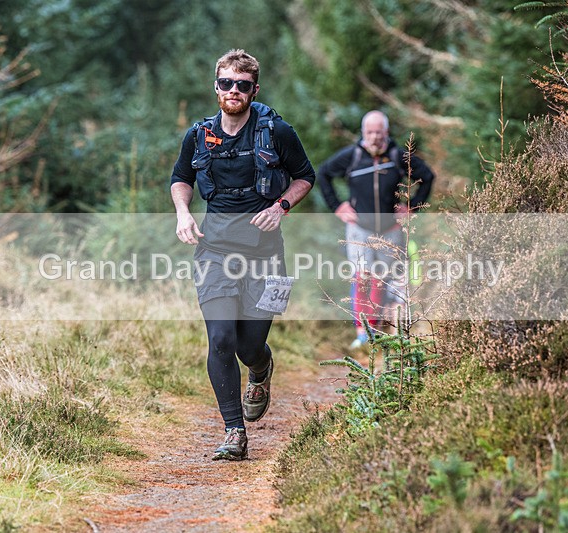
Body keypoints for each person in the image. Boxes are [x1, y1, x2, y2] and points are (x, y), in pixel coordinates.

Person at [170, 49, 315, 461]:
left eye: (242, 85)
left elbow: (306, 175)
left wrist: (279, 207)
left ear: (254, 89)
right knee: (220, 338)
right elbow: (181, 178)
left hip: (266, 254)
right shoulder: (198, 135)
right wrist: (183, 213)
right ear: (216, 86)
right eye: (226, 83)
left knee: (249, 345)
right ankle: (235, 431)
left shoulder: (277, 131)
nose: (233, 91)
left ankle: (261, 368)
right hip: (214, 249)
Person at [317, 110, 434, 349]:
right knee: (363, 278)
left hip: (391, 228)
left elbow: (428, 176)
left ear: (386, 133)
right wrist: (337, 206)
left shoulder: (398, 156)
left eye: (378, 132)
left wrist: (412, 207)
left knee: (388, 279)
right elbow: (323, 174)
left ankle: (389, 332)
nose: (374, 137)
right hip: (359, 229)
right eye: (369, 132)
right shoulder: (353, 156)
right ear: (363, 133)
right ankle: (363, 334)